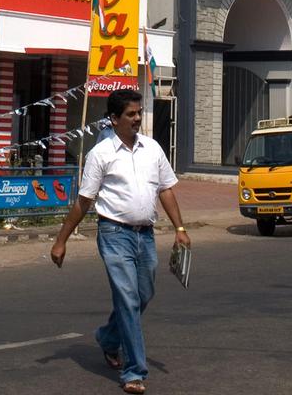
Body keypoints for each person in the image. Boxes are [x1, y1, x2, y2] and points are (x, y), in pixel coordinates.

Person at [51, 88, 189, 395]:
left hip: (146, 236)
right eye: (131, 114)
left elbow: (166, 189)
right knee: (127, 299)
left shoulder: (152, 149)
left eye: (139, 113)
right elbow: (84, 201)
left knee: (143, 295)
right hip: (114, 235)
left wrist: (179, 227)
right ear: (114, 119)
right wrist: (61, 241)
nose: (138, 119)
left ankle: (109, 338)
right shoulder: (100, 154)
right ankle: (134, 371)